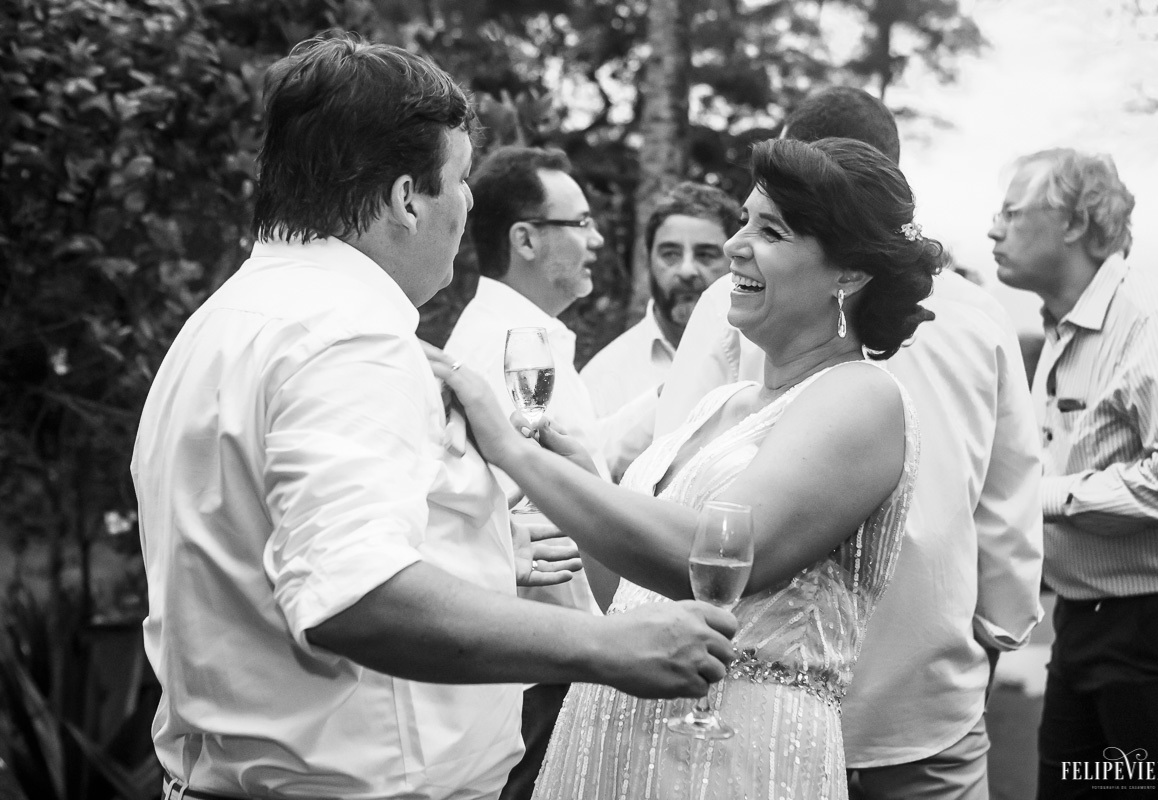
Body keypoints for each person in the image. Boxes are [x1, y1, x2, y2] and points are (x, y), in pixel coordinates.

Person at [131, 30, 736, 800]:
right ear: (405, 199)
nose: (470, 204)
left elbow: (272, 543)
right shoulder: (348, 336)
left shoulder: (226, 319)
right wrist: (609, 644)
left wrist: (470, 551)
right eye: (459, 181)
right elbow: (354, 595)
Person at [431, 136, 941, 799]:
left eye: (771, 231)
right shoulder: (719, 404)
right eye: (744, 222)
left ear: (848, 274)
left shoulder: (863, 397)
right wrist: (582, 473)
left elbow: (709, 559)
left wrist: (514, 452)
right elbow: (626, 593)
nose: (735, 246)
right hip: (608, 734)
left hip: (734, 757)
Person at [655, 86, 1045, 799]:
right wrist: (996, 635)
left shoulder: (736, 297)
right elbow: (1009, 503)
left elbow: (675, 464)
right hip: (928, 692)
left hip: (760, 685)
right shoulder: (981, 317)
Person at [989, 148, 1158, 798]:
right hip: (1085, 625)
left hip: (1156, 636)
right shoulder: (1059, 328)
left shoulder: (1153, 317)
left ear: (1075, 223)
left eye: (1011, 212)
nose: (993, 228)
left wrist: (1045, 497)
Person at [443, 145, 609, 800]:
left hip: (544, 664)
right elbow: (484, 502)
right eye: (583, 222)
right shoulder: (507, 352)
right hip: (530, 677)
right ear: (527, 239)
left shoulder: (526, 339)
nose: (596, 239)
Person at [580, 182, 741, 480]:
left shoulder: (764, 357)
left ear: (736, 260)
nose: (687, 271)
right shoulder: (603, 376)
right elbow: (586, 476)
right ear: (648, 261)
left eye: (706, 255)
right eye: (670, 254)